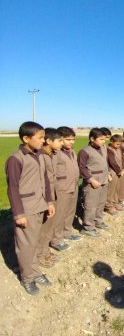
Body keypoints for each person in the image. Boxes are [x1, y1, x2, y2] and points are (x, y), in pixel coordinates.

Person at [5, 121, 56, 295]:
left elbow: (46, 181)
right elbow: (12, 188)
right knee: (25, 245)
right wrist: (19, 214)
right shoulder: (16, 159)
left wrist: (49, 202)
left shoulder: (40, 155)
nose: (43, 140)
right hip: (26, 209)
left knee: (33, 242)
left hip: (40, 205)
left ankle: (35, 272)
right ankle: (27, 278)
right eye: (40, 137)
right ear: (26, 138)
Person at [78, 128, 112, 237]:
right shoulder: (84, 151)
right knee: (90, 205)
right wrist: (91, 180)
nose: (104, 141)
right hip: (93, 181)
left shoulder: (103, 148)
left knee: (101, 202)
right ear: (92, 138)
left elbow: (105, 162)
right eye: (101, 139)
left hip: (104, 179)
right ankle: (88, 227)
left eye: (104, 139)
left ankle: (98, 221)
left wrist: (108, 173)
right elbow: (81, 168)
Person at [39, 128, 63, 267]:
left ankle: (45, 251)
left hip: (52, 194)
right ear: (48, 141)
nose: (61, 143)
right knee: (43, 227)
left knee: (49, 226)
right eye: (59, 141)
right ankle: (39, 255)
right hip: (44, 198)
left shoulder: (51, 154)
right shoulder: (41, 156)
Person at [55, 126, 82, 244]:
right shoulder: (55, 153)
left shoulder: (72, 152)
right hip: (62, 188)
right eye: (68, 139)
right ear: (60, 139)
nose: (71, 142)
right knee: (59, 214)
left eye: (73, 139)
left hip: (73, 186)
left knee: (70, 211)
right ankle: (56, 239)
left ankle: (67, 232)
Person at [105, 134, 124, 215]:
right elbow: (112, 162)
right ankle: (108, 206)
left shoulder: (119, 149)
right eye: (117, 144)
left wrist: (123, 168)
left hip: (120, 171)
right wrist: (119, 170)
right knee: (111, 189)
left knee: (117, 188)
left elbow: (122, 159)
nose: (119, 146)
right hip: (113, 171)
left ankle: (115, 203)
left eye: (120, 144)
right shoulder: (109, 149)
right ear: (112, 141)